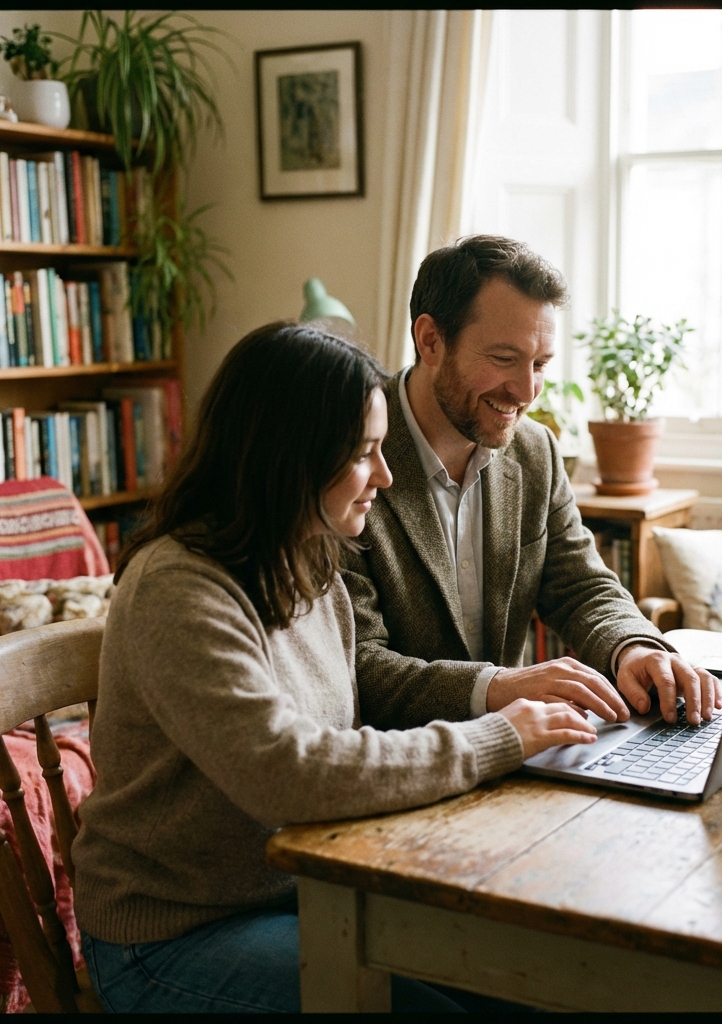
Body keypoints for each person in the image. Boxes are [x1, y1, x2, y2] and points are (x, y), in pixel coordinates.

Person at [71, 321, 596, 1014]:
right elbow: (287, 772)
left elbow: (350, 717)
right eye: (364, 454)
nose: (383, 475)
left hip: (308, 892)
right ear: (288, 457)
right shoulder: (180, 586)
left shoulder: (308, 559)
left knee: (541, 980)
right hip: (174, 934)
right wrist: (497, 737)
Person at [343, 235, 722, 734]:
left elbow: (581, 584)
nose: (525, 392)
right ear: (430, 339)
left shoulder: (534, 450)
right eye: (504, 359)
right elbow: (357, 664)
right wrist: (498, 688)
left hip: (513, 759)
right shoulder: (347, 458)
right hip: (393, 762)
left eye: (540, 364)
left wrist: (633, 647)